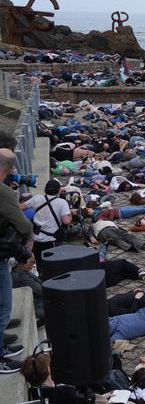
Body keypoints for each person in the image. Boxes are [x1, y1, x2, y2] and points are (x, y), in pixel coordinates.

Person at [0, 149, 35, 370]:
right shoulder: (3, 193)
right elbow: (23, 225)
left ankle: (1, 338)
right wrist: (29, 241)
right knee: (4, 305)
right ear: (12, 169)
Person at [24, 179, 71, 261]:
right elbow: (66, 221)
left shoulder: (37, 198)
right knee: (49, 264)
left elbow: (19, 207)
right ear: (59, 190)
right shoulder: (62, 202)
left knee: (37, 262)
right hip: (51, 240)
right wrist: (70, 215)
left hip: (35, 239)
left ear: (45, 189)